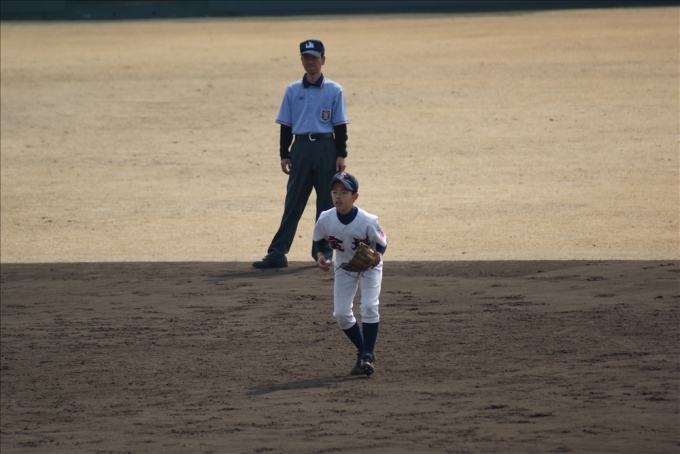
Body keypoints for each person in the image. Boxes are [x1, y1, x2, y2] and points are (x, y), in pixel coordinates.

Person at [253, 39, 349, 269]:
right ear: (301, 60)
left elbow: (340, 126)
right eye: (306, 58)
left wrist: (341, 154)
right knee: (293, 201)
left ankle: (323, 252)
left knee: (326, 204)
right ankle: (277, 253)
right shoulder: (293, 90)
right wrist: (284, 154)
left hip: (326, 147)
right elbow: (286, 125)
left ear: (323, 59)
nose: (310, 62)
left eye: (314, 58)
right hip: (301, 147)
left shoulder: (334, 90)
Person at [313, 172, 388, 376]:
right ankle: (364, 351)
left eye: (344, 192)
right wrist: (320, 255)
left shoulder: (368, 220)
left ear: (355, 197)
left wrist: (376, 257)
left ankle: (368, 355)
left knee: (369, 306)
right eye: (335, 192)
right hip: (344, 267)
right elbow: (318, 238)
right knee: (341, 315)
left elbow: (382, 243)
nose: (338, 196)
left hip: (369, 268)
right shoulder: (325, 218)